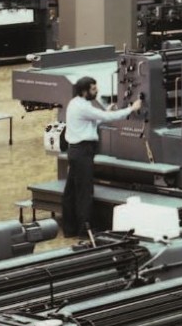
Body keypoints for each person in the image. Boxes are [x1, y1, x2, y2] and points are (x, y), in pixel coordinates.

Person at [61, 78, 142, 237]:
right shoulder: (83, 107)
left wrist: (106, 112)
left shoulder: (77, 103)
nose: (96, 91)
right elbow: (106, 118)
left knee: (70, 191)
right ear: (84, 91)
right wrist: (131, 109)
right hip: (82, 152)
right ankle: (85, 231)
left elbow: (92, 121)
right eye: (93, 89)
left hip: (76, 151)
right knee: (85, 192)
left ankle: (69, 228)